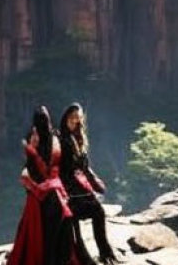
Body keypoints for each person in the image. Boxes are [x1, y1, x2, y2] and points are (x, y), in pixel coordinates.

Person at [8, 106, 74, 265]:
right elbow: (32, 167)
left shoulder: (52, 137)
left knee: (48, 230)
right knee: (49, 231)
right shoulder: (38, 138)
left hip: (47, 190)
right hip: (43, 192)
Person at [58, 103, 117, 265]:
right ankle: (83, 257)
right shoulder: (60, 138)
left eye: (78, 117)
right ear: (66, 118)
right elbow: (61, 169)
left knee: (98, 212)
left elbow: (85, 167)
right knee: (76, 221)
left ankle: (105, 253)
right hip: (67, 190)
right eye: (72, 117)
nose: (75, 120)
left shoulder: (78, 137)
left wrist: (95, 182)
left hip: (79, 188)